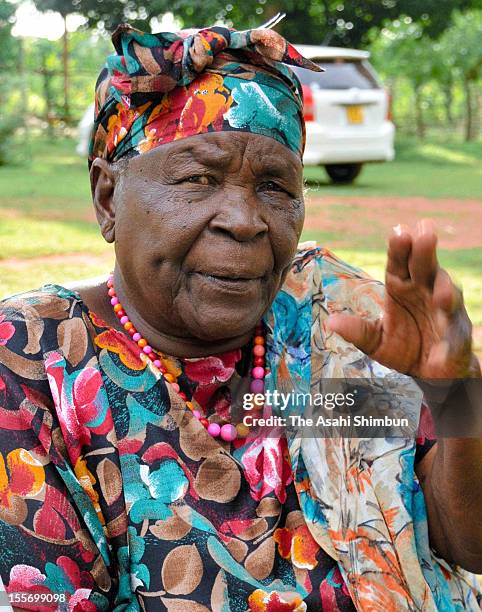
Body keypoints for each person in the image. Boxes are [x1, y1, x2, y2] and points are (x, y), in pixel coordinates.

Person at [0, 17, 481, 611]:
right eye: (198, 178)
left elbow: (467, 539)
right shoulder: (31, 364)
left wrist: (456, 392)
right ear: (107, 200)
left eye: (275, 187)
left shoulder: (334, 323)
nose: (246, 220)